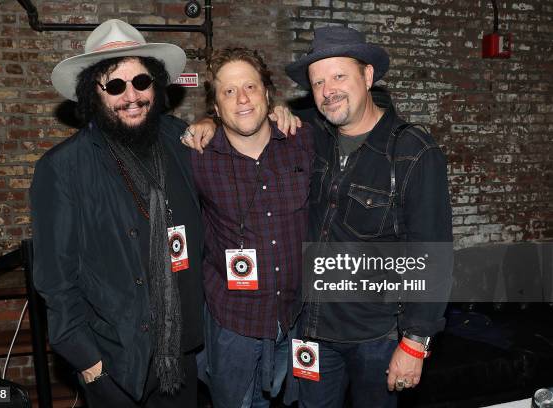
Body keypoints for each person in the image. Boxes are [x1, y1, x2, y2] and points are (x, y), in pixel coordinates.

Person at [30, 19, 205, 407]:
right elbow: (55, 279)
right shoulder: (63, 168)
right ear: (93, 93)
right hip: (117, 361)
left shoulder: (181, 143)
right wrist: (88, 361)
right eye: (114, 85)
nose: (131, 95)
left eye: (141, 82)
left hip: (184, 350)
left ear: (156, 86)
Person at [283, 26, 453, 408]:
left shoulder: (413, 152)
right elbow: (250, 122)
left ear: (368, 76)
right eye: (318, 82)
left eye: (340, 76)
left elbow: (433, 257)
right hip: (310, 330)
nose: (329, 90)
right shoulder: (312, 136)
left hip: (375, 337)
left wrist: (414, 342)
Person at [191, 47, 313, 407]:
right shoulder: (197, 156)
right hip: (233, 323)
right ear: (214, 106)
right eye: (228, 91)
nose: (241, 99)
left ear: (268, 94)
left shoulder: (303, 140)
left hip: (296, 320)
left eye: (250, 87)